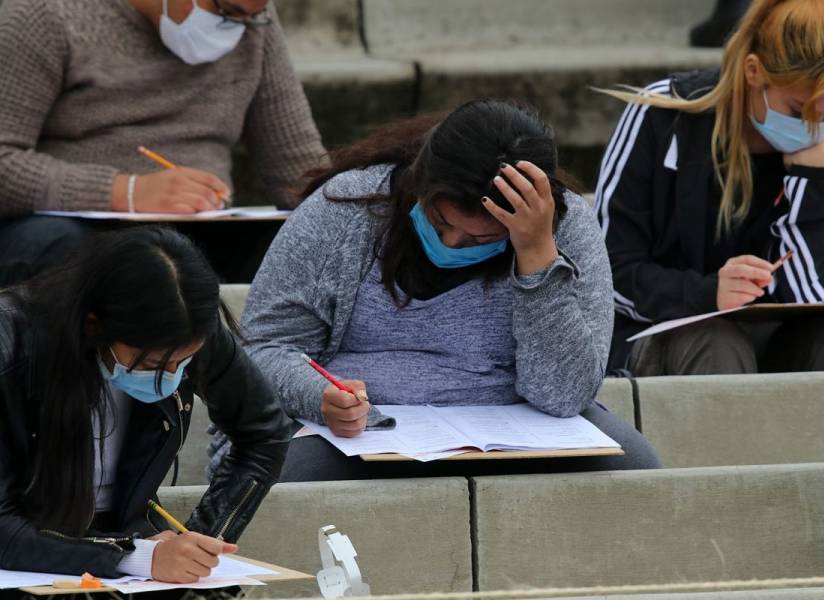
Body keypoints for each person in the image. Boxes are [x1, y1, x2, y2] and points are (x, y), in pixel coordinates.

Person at [208, 100, 661, 482]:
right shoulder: (345, 208)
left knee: (634, 466)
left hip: (514, 427)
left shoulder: (565, 229)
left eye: (481, 239)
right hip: (355, 428)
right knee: (273, 476)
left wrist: (537, 257)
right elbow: (263, 349)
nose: (451, 245)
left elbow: (564, 395)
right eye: (442, 223)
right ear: (420, 184)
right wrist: (320, 396)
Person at [596, 0, 824, 376]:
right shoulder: (664, 114)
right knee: (715, 340)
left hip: (772, 338)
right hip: (658, 332)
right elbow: (605, 271)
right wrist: (707, 294)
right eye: (799, 111)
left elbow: (814, 297)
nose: (814, 130)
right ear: (753, 71)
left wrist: (812, 180)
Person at [0, 227, 291, 583]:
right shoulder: (11, 347)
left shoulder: (187, 330)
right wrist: (137, 557)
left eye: (184, 363)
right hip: (26, 554)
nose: (170, 376)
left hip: (131, 544)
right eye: (152, 365)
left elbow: (263, 432)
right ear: (95, 324)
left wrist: (196, 545)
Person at [0, 0, 326, 285]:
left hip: (203, 235)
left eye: (252, 15)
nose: (236, 29)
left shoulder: (252, 23)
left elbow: (299, 169)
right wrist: (124, 193)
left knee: (305, 245)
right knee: (54, 244)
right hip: (78, 230)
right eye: (226, 11)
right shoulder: (46, 14)